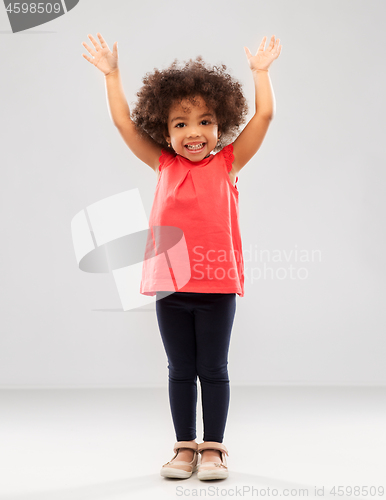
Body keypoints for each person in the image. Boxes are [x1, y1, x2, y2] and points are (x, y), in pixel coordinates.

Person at [82, 32, 282, 480]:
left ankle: (213, 447)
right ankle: (184, 447)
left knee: (213, 368)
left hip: (216, 286)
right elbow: (122, 125)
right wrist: (112, 75)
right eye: (180, 124)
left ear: (220, 125)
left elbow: (265, 115)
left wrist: (261, 73)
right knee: (179, 369)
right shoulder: (164, 165)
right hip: (170, 285)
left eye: (205, 122)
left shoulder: (228, 162)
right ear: (165, 130)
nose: (194, 133)